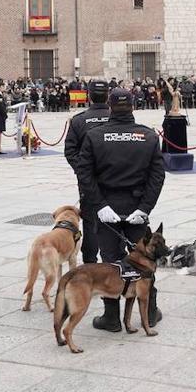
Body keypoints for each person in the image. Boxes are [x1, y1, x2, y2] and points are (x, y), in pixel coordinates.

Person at [75, 87, 165, 331]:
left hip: (107, 206)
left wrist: (100, 205)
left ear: (110, 107)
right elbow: (157, 176)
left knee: (110, 264)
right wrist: (144, 208)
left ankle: (112, 318)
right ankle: (150, 312)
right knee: (145, 263)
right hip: (136, 206)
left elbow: (84, 173)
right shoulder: (147, 135)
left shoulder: (95, 136)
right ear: (133, 106)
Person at [63, 79, 112, 264]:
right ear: (107, 95)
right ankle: (112, 261)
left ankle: (90, 263)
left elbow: (70, 151)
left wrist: (84, 172)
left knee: (90, 221)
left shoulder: (79, 120)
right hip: (115, 179)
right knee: (115, 221)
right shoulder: (118, 117)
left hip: (88, 183)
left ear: (89, 96)